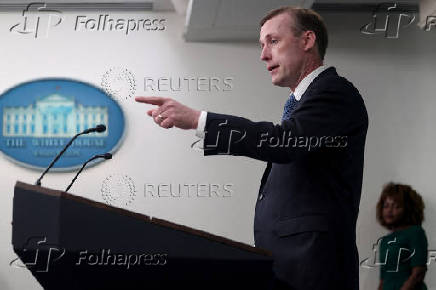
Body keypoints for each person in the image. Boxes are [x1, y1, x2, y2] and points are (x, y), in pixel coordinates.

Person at [135, 6, 368, 290]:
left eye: (273, 41)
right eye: (262, 45)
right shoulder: (302, 103)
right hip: (288, 267)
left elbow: (283, 142)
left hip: (315, 267)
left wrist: (199, 120)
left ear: (307, 40)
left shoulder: (335, 92)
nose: (263, 55)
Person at [376, 183, 428, 290]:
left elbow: (418, 273)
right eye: (386, 206)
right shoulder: (385, 241)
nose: (389, 210)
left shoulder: (415, 232)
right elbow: (383, 278)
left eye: (396, 206)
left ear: (408, 209)